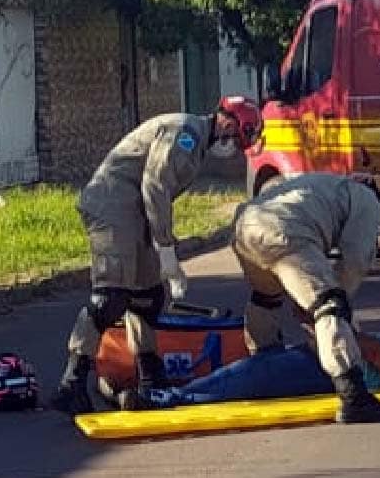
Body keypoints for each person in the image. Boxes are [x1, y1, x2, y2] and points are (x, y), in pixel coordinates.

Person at [50, 96, 263, 415]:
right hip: (113, 207)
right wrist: (166, 248)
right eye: (236, 137)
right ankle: (72, 382)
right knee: (111, 297)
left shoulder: (196, 142)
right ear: (226, 122)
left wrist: (163, 246)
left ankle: (150, 374)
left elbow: (155, 196)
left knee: (148, 296)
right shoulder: (185, 135)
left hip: (136, 213)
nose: (233, 147)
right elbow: (154, 187)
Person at [229, 172, 380, 423]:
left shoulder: (327, 185)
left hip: (244, 226)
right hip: (283, 230)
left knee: (266, 298)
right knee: (330, 304)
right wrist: (334, 303)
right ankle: (353, 395)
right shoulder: (370, 201)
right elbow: (355, 259)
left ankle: (264, 362)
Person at [112, 332, 380, 410]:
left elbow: (378, 353)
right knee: (242, 373)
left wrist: (338, 328)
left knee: (242, 379)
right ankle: (161, 393)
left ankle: (159, 398)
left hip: (323, 370)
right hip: (318, 359)